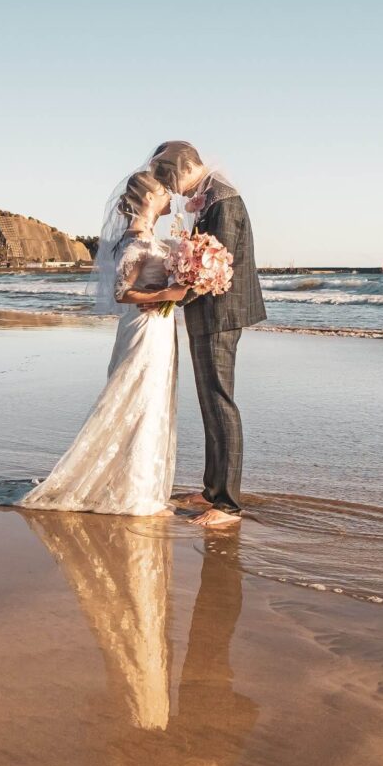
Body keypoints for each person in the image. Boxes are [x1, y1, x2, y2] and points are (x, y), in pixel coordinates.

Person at [20, 169, 188, 515]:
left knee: (152, 402)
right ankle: (133, 492)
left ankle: (141, 485)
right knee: (138, 400)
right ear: (148, 199)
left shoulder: (151, 238)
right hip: (144, 329)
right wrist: (170, 291)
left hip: (159, 328)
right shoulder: (134, 239)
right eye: (164, 192)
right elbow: (121, 292)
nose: (171, 197)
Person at [148, 140, 264, 527]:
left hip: (221, 313)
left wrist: (175, 292)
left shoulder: (223, 199)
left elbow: (219, 265)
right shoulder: (209, 195)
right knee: (209, 403)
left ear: (184, 169)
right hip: (207, 312)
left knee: (219, 402)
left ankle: (228, 504)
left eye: (171, 181)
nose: (174, 191)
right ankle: (212, 488)